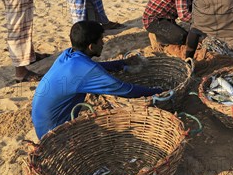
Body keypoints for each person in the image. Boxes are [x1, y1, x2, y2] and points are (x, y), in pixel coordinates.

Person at [31, 21, 162, 139]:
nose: (103, 43)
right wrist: (158, 91)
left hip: (41, 122)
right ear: (91, 47)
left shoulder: (67, 55)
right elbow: (126, 90)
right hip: (52, 133)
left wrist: (122, 63)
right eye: (101, 40)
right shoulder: (86, 70)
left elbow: (95, 68)